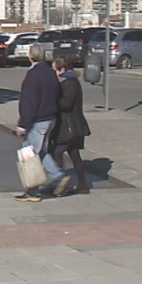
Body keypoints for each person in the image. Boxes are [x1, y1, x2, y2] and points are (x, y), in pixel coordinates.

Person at [14, 43, 69, 202]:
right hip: (50, 118)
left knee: (29, 153)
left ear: (30, 56)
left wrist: (23, 124)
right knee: (39, 151)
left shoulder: (33, 75)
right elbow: (57, 94)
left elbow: (29, 101)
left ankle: (33, 190)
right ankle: (56, 175)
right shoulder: (51, 73)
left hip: (37, 120)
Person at [49, 56, 91, 194]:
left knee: (57, 152)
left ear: (62, 69)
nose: (54, 73)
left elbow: (66, 104)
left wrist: (54, 99)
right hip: (73, 125)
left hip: (70, 126)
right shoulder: (69, 81)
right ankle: (82, 184)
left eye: (56, 70)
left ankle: (60, 184)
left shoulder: (70, 83)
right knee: (74, 154)